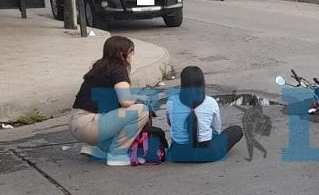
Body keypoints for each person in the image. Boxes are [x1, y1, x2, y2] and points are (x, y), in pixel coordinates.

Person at [69, 35, 150, 166]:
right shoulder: (119, 70)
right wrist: (137, 100)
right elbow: (125, 101)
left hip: (77, 122)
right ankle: (117, 154)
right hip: (90, 125)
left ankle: (100, 150)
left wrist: (134, 97)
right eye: (131, 52)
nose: (132, 56)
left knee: (122, 112)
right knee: (141, 111)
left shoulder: (99, 67)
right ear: (123, 54)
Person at [167, 66, 242, 163]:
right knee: (236, 130)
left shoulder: (171, 102)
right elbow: (216, 129)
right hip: (208, 154)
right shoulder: (210, 102)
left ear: (182, 83)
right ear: (202, 83)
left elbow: (171, 123)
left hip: (177, 154)